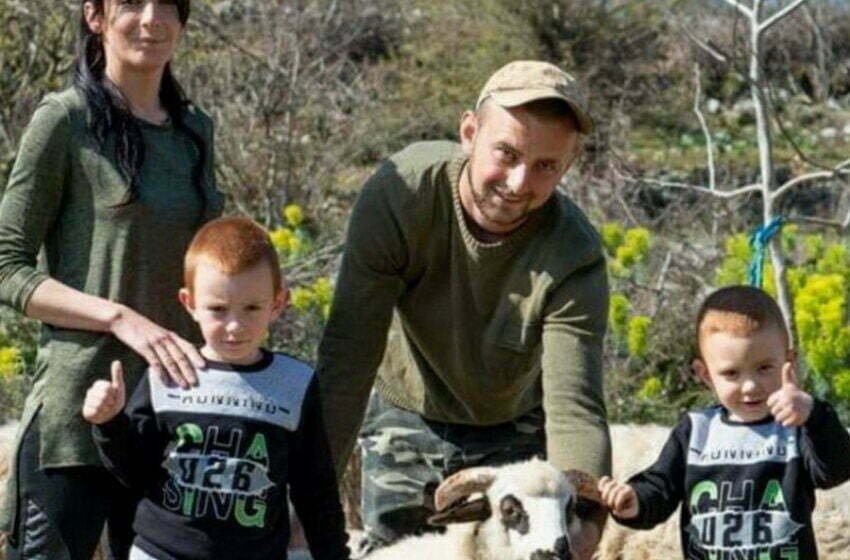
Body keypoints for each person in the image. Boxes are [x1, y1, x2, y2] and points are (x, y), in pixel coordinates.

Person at [317, 60, 610, 557]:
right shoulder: (402, 195)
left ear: (569, 163)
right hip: (406, 413)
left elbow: (574, 404)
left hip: (512, 430)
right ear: (470, 132)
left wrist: (585, 524)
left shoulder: (574, 255)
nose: (518, 182)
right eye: (507, 153)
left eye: (546, 167)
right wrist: (310, 491)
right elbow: (349, 356)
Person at [0, 1, 224, 558]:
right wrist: (120, 317)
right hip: (75, 419)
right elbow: (6, 264)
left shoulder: (196, 130)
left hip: (173, 418)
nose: (151, 19)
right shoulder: (65, 119)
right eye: (131, 4)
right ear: (95, 16)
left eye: (167, 4)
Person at [82, 216, 351, 560]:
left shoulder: (294, 383)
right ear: (189, 303)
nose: (235, 326)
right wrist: (109, 422)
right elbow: (134, 473)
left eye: (252, 307)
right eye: (218, 310)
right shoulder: (165, 373)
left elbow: (316, 491)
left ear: (278, 303)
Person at [598, 285, 850, 559]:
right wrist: (634, 502)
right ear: (705, 374)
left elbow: (836, 470)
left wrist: (814, 414)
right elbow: (661, 487)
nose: (750, 386)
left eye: (764, 368)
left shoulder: (795, 427)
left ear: (789, 362)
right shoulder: (696, 431)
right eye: (731, 373)